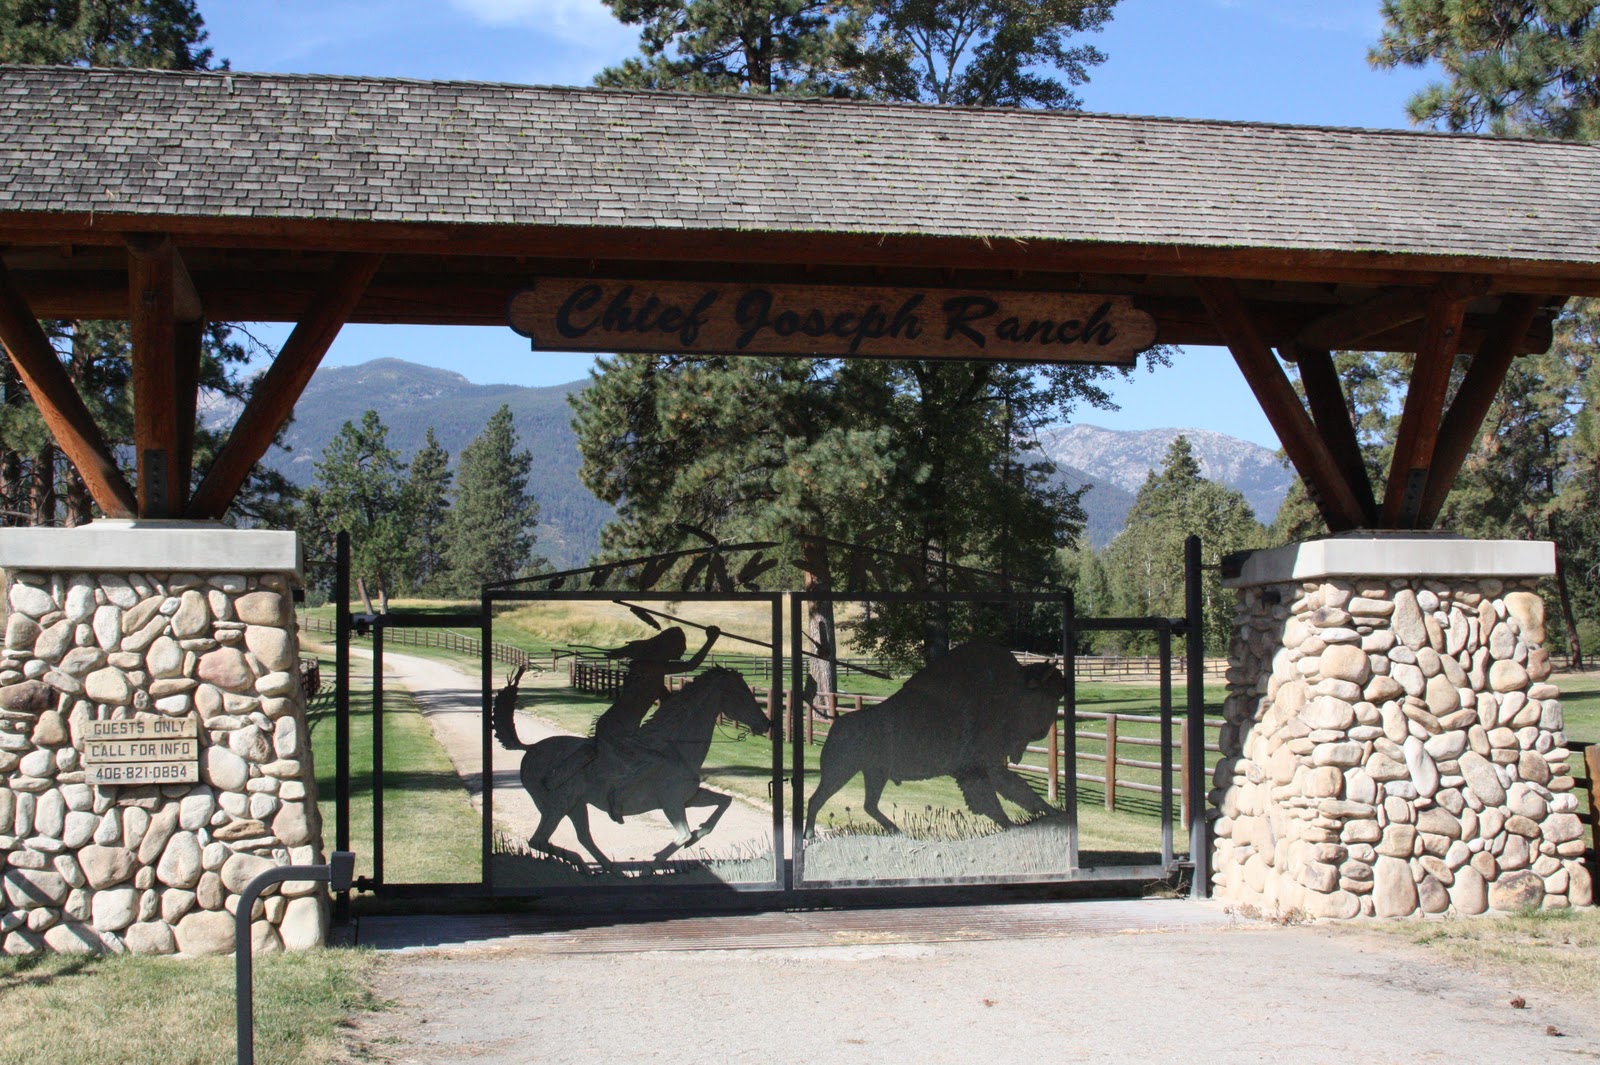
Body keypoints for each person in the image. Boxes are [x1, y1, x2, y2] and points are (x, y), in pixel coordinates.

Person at [589, 624, 721, 823]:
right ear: (668, 647)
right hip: (619, 727)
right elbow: (691, 665)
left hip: (624, 725)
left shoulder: (651, 672)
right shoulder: (652, 668)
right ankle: (615, 800)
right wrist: (711, 640)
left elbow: (666, 700)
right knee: (653, 761)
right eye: (681, 646)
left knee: (649, 760)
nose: (683, 650)